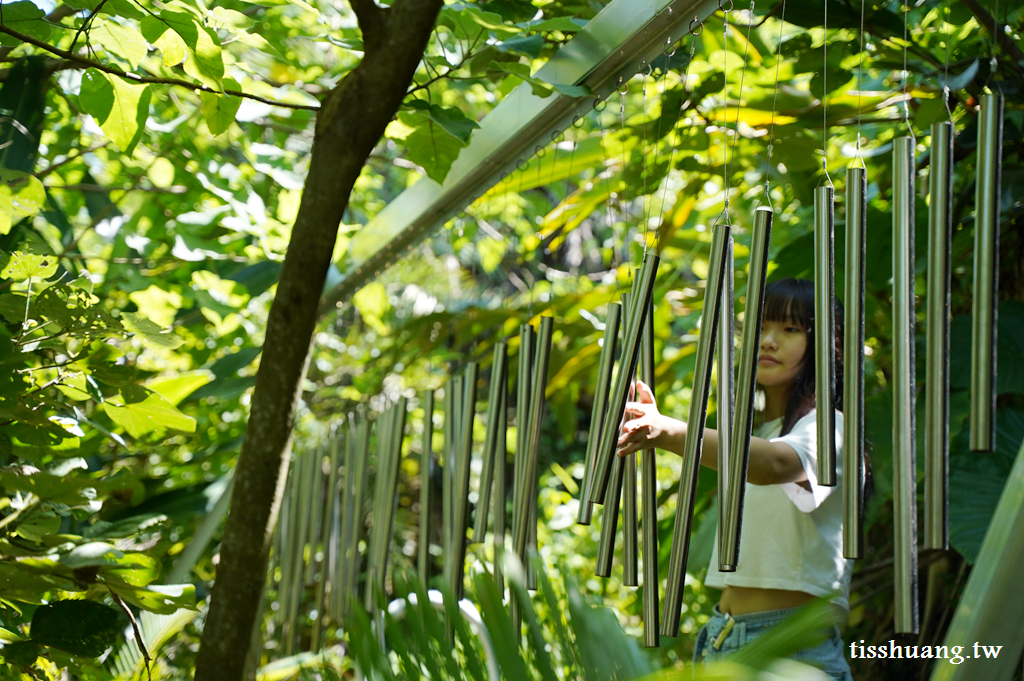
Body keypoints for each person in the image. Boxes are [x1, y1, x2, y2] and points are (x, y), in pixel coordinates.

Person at [615, 277, 857, 681]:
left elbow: (778, 465)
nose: (768, 341)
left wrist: (671, 432)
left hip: (789, 649)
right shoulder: (763, 433)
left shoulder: (829, 427)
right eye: (760, 327)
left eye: (790, 329)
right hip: (722, 640)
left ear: (825, 346)